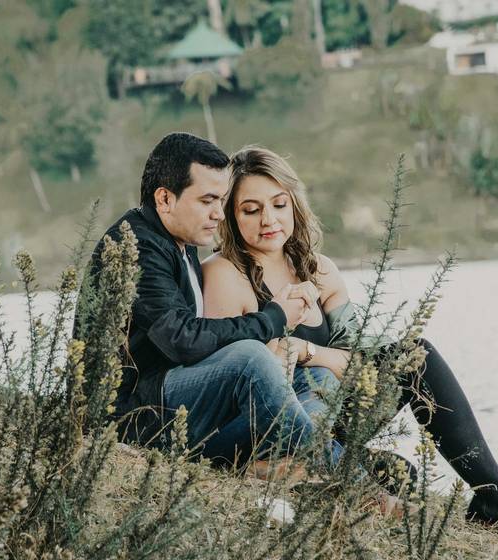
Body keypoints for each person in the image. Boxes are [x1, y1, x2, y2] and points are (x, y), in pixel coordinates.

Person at [201, 146, 498, 543]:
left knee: (414, 356)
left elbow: (360, 361)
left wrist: (306, 352)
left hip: (334, 412)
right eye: (251, 210)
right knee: (354, 424)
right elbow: (229, 377)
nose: (268, 219)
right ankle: (284, 466)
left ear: (294, 205)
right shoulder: (223, 274)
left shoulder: (319, 270)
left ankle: (494, 496)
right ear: (232, 218)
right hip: (269, 424)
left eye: (278, 204)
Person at [78, 132, 325, 481]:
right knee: (251, 359)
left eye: (221, 200)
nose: (219, 214)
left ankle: (281, 463)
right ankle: (353, 479)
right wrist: (273, 318)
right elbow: (181, 338)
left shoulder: (180, 240)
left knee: (312, 377)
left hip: (177, 405)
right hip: (133, 417)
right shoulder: (136, 246)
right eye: (208, 200)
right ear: (164, 198)